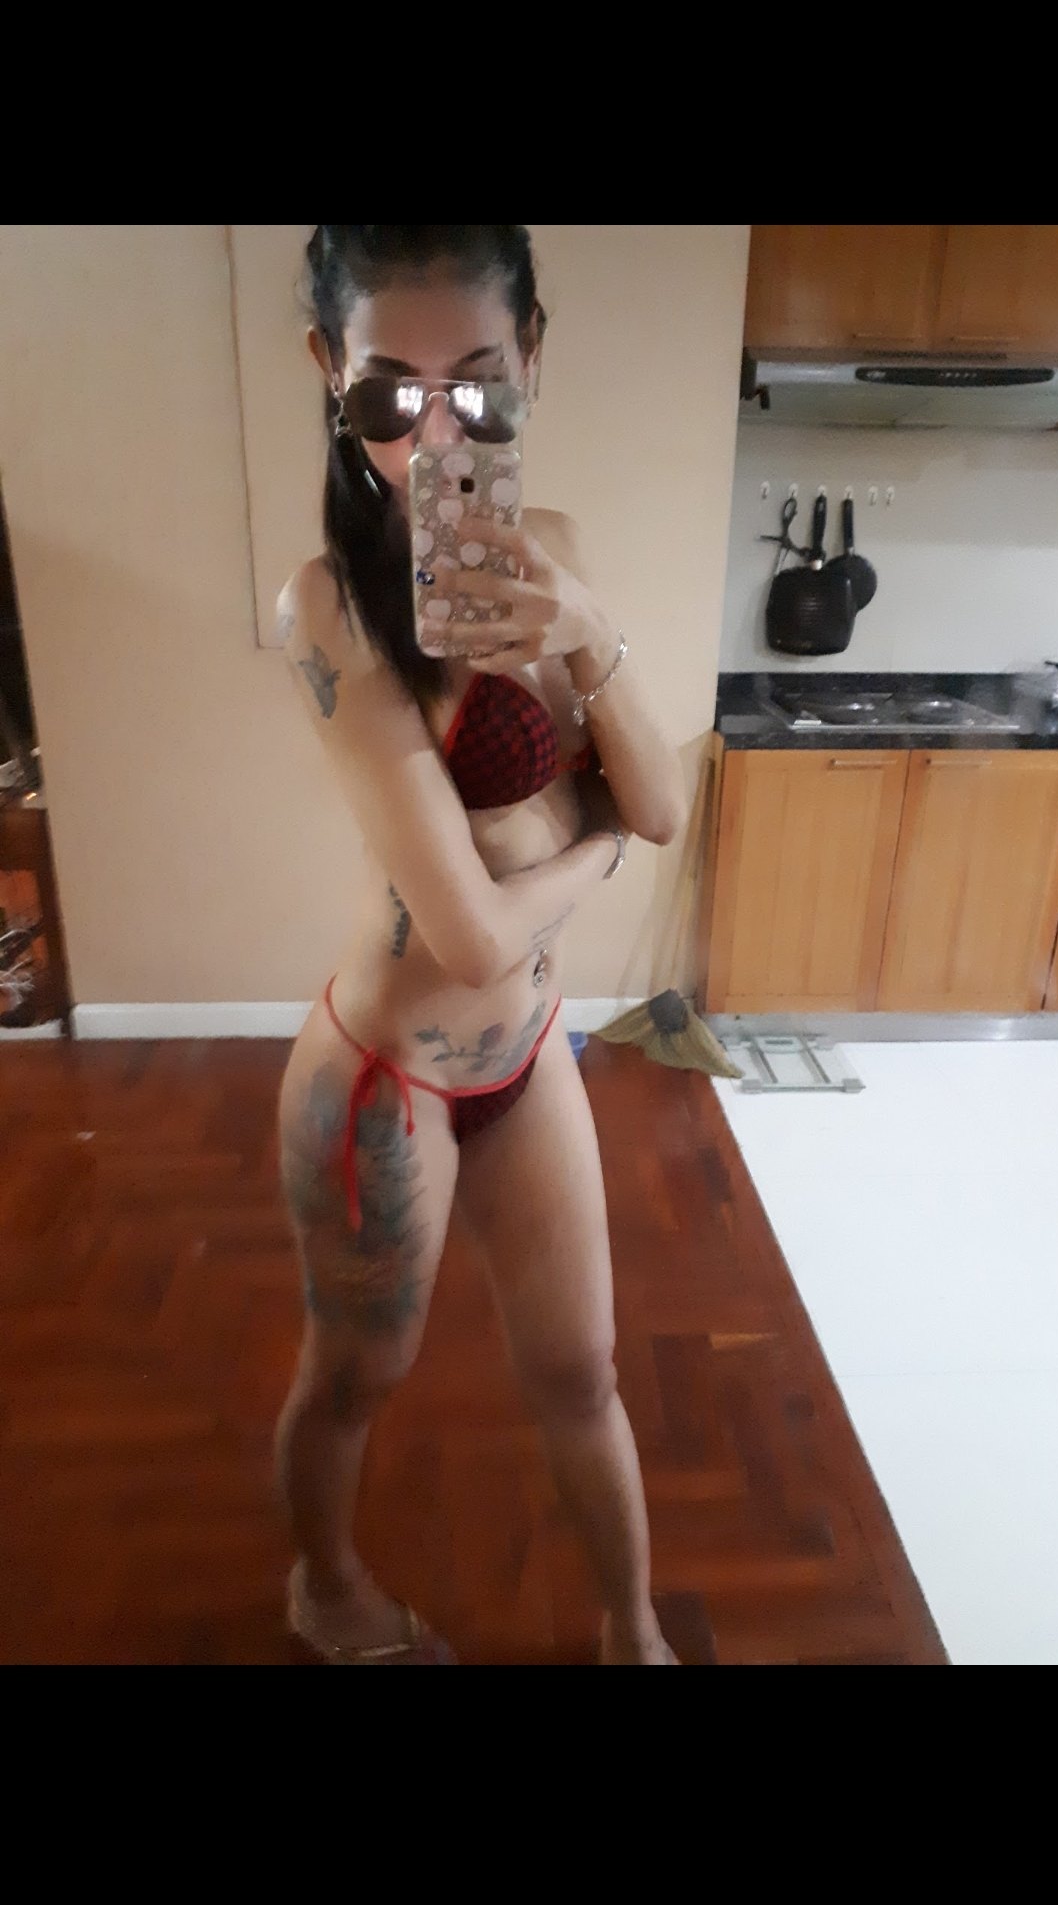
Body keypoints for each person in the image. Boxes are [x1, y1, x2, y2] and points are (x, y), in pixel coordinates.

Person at [274, 225, 687, 1664]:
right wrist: (598, 849)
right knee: (354, 1381)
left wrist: (586, 626)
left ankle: (632, 1632)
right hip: (384, 1084)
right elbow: (464, 933)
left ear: (534, 359)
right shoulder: (328, 607)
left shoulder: (552, 550)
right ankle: (325, 1586)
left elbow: (664, 803)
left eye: (479, 383)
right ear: (329, 372)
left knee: (583, 1372)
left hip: (528, 1059)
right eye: (391, 392)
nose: (438, 431)